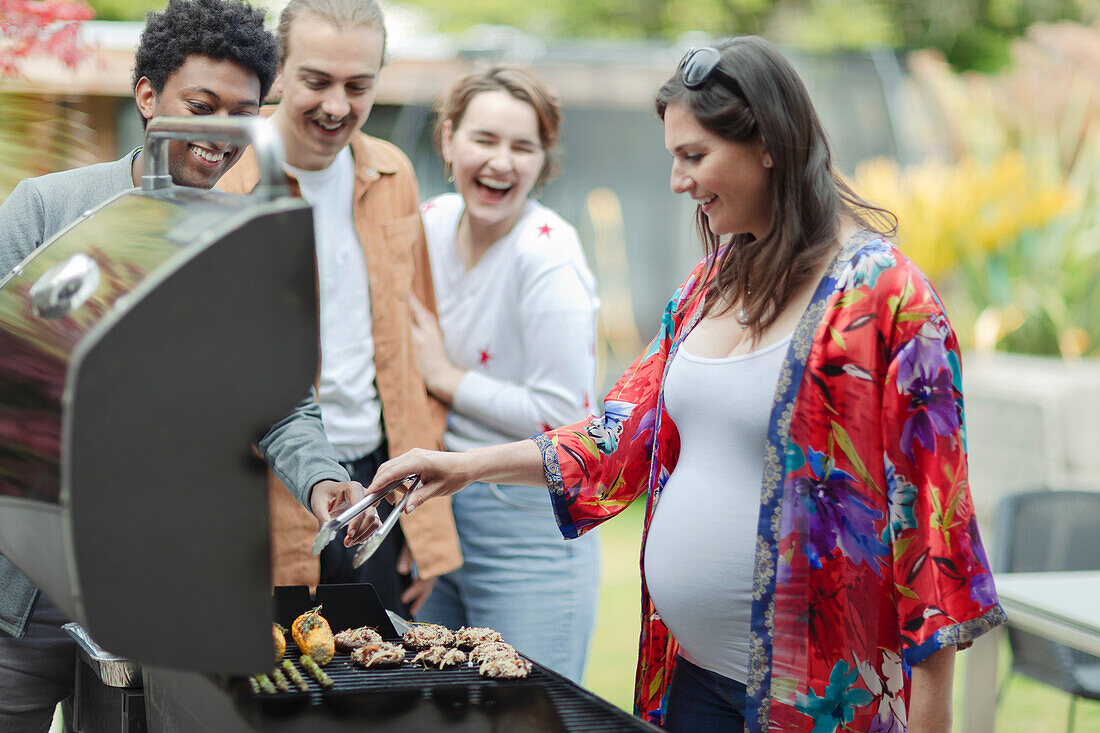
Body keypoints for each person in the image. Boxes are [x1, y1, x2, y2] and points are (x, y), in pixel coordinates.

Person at [362, 37, 1007, 733]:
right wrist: (460, 467)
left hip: (819, 700)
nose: (677, 180)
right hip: (691, 681)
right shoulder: (712, 281)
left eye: (693, 156)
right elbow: (616, 436)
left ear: (768, 143)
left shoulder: (887, 300)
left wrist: (934, 716)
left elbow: (936, 531)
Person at [0, 2, 371, 730]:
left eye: (241, 113)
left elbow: (281, 401)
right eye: (199, 106)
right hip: (25, 590)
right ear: (148, 95)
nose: (217, 135)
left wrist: (324, 479)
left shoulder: (250, 246)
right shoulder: (46, 210)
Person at [218, 0, 461, 615]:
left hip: (379, 493)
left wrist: (419, 529)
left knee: (376, 697)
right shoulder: (226, 184)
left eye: (358, 86)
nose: (336, 105)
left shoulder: (393, 173)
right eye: (317, 81)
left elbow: (410, 356)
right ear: (277, 72)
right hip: (261, 497)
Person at [409, 67, 600, 682]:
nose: (502, 162)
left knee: (526, 716)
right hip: (434, 511)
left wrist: (446, 375)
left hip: (528, 524)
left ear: (544, 161)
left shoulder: (548, 253)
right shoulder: (427, 224)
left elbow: (567, 420)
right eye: (484, 139)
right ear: (447, 140)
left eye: (524, 147)